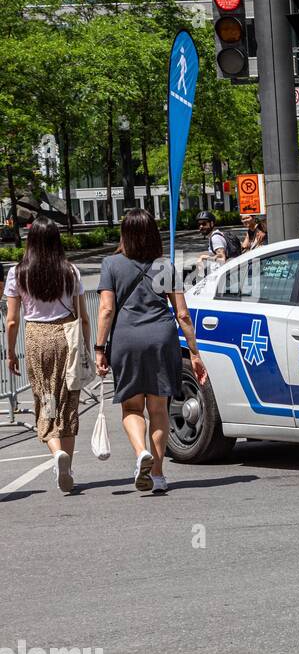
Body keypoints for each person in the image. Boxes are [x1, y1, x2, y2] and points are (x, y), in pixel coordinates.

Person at [95, 209, 208, 494]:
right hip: (162, 337)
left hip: (127, 339)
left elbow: (107, 309)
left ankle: (140, 454)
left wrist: (99, 348)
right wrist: (194, 353)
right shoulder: (165, 266)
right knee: (159, 409)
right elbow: (182, 314)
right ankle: (157, 473)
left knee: (132, 407)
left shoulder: (110, 264)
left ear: (124, 233)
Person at [3, 216, 89, 493]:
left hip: (37, 338)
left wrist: (10, 353)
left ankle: (56, 454)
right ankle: (68, 466)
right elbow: (83, 317)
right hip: (66, 336)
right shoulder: (71, 271)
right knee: (68, 401)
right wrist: (86, 347)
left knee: (46, 398)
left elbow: (12, 320)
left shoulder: (18, 272)